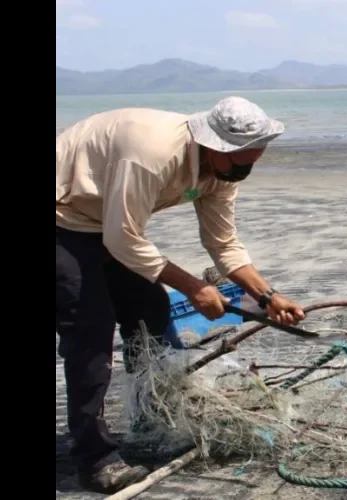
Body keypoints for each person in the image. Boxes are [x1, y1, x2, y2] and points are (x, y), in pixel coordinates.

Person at [56, 96, 307, 493]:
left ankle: (149, 413)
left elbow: (223, 243)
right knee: (90, 331)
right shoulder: (152, 153)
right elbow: (123, 238)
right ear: (215, 146)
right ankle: (94, 457)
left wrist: (268, 296)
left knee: (150, 309)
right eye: (243, 157)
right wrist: (195, 287)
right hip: (63, 215)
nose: (250, 165)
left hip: (104, 221)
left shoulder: (224, 171)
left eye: (256, 156)